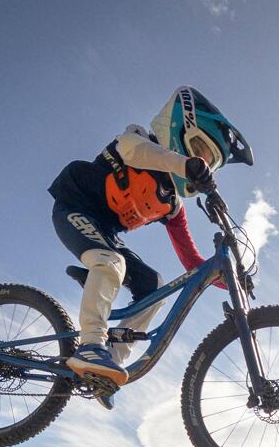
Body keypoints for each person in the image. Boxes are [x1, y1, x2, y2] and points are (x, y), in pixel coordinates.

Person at [47, 86, 252, 406]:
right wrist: (186, 165)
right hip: (74, 206)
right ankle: (90, 345)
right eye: (201, 151)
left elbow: (192, 262)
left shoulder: (171, 206)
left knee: (155, 286)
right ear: (180, 130)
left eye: (210, 163)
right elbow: (139, 154)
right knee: (110, 262)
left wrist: (231, 279)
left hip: (105, 233)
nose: (203, 164)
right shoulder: (136, 140)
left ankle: (108, 365)